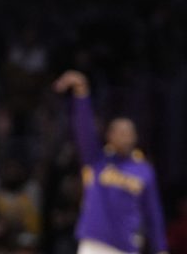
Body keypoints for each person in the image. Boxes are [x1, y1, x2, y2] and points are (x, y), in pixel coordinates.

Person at [53, 70, 168, 254]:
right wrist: (81, 92)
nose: (125, 135)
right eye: (119, 131)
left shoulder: (144, 170)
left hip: (127, 246)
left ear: (136, 137)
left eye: (128, 132)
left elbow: (152, 212)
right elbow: (84, 128)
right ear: (109, 136)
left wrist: (161, 248)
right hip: (94, 243)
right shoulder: (96, 159)